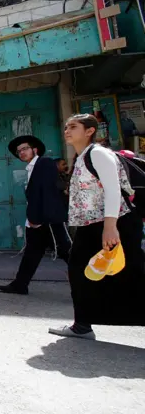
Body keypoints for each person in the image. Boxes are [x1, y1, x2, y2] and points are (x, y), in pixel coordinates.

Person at [50, 114, 145, 340]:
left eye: (73, 127)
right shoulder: (83, 156)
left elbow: (113, 190)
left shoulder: (98, 153)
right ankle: (82, 324)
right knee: (83, 271)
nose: (67, 131)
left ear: (89, 130)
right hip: (93, 224)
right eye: (65, 127)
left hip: (113, 221)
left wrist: (110, 227)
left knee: (131, 271)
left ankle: (82, 324)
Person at [0, 135, 71, 295]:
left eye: (24, 149)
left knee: (67, 252)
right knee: (32, 253)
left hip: (48, 220)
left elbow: (47, 193)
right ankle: (20, 284)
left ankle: (91, 284)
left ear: (35, 150)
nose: (21, 153)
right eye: (18, 151)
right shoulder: (32, 168)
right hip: (37, 221)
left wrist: (37, 219)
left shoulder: (44, 163)